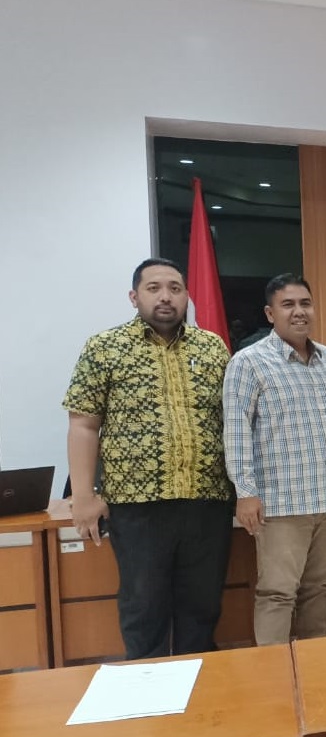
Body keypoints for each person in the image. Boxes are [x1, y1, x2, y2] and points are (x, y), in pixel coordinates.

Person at [64, 258, 233, 659]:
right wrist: (84, 496)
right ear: (134, 296)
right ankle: (148, 683)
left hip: (206, 500)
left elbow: (234, 422)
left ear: (187, 296)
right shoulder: (105, 347)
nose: (165, 297)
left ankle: (201, 681)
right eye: (154, 288)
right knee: (144, 607)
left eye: (175, 288)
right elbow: (83, 425)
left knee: (203, 606)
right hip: (137, 506)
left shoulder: (212, 348)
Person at [223, 274, 326, 645]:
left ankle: (312, 665)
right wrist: (245, 492)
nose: (299, 312)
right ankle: (273, 671)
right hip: (281, 504)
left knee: (320, 588)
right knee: (278, 593)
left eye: (305, 303)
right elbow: (236, 431)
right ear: (270, 313)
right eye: (288, 305)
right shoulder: (249, 363)